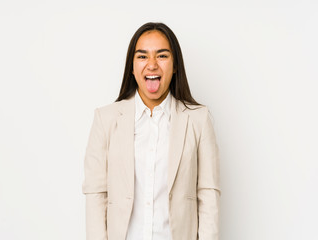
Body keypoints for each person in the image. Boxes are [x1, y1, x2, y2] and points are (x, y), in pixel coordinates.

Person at [82, 22, 220, 240]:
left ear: (175, 65)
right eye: (142, 56)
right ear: (132, 66)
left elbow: (208, 194)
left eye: (162, 56)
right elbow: (96, 196)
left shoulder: (198, 120)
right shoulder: (105, 119)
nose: (152, 65)